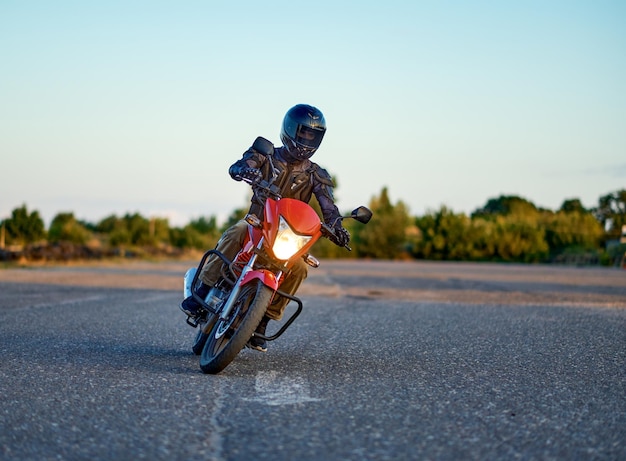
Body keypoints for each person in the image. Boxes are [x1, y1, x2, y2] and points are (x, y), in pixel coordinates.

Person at [180, 104, 350, 352]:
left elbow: (329, 207)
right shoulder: (266, 154)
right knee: (237, 230)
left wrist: (337, 227)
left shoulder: (317, 175)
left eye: (312, 136)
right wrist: (244, 169)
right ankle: (204, 287)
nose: (306, 140)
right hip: (257, 224)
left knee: (301, 268)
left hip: (287, 235)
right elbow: (242, 164)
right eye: (303, 133)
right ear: (290, 130)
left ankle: (263, 321)